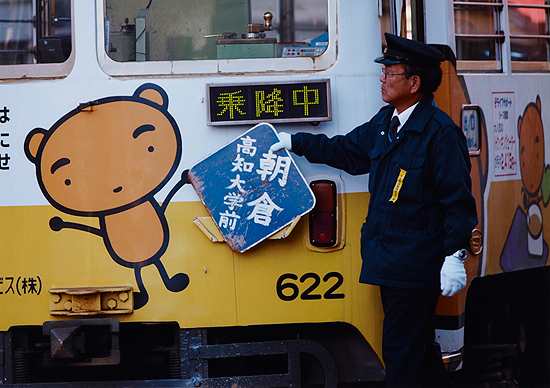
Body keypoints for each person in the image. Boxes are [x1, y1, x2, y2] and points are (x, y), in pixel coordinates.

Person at [271, 33, 478, 387]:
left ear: (414, 83)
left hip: (415, 263)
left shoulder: (440, 134)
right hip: (388, 259)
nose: (382, 78)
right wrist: (294, 142)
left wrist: (453, 255)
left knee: (400, 352)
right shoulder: (386, 123)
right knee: (418, 349)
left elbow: (456, 200)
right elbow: (346, 152)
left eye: (390, 72)